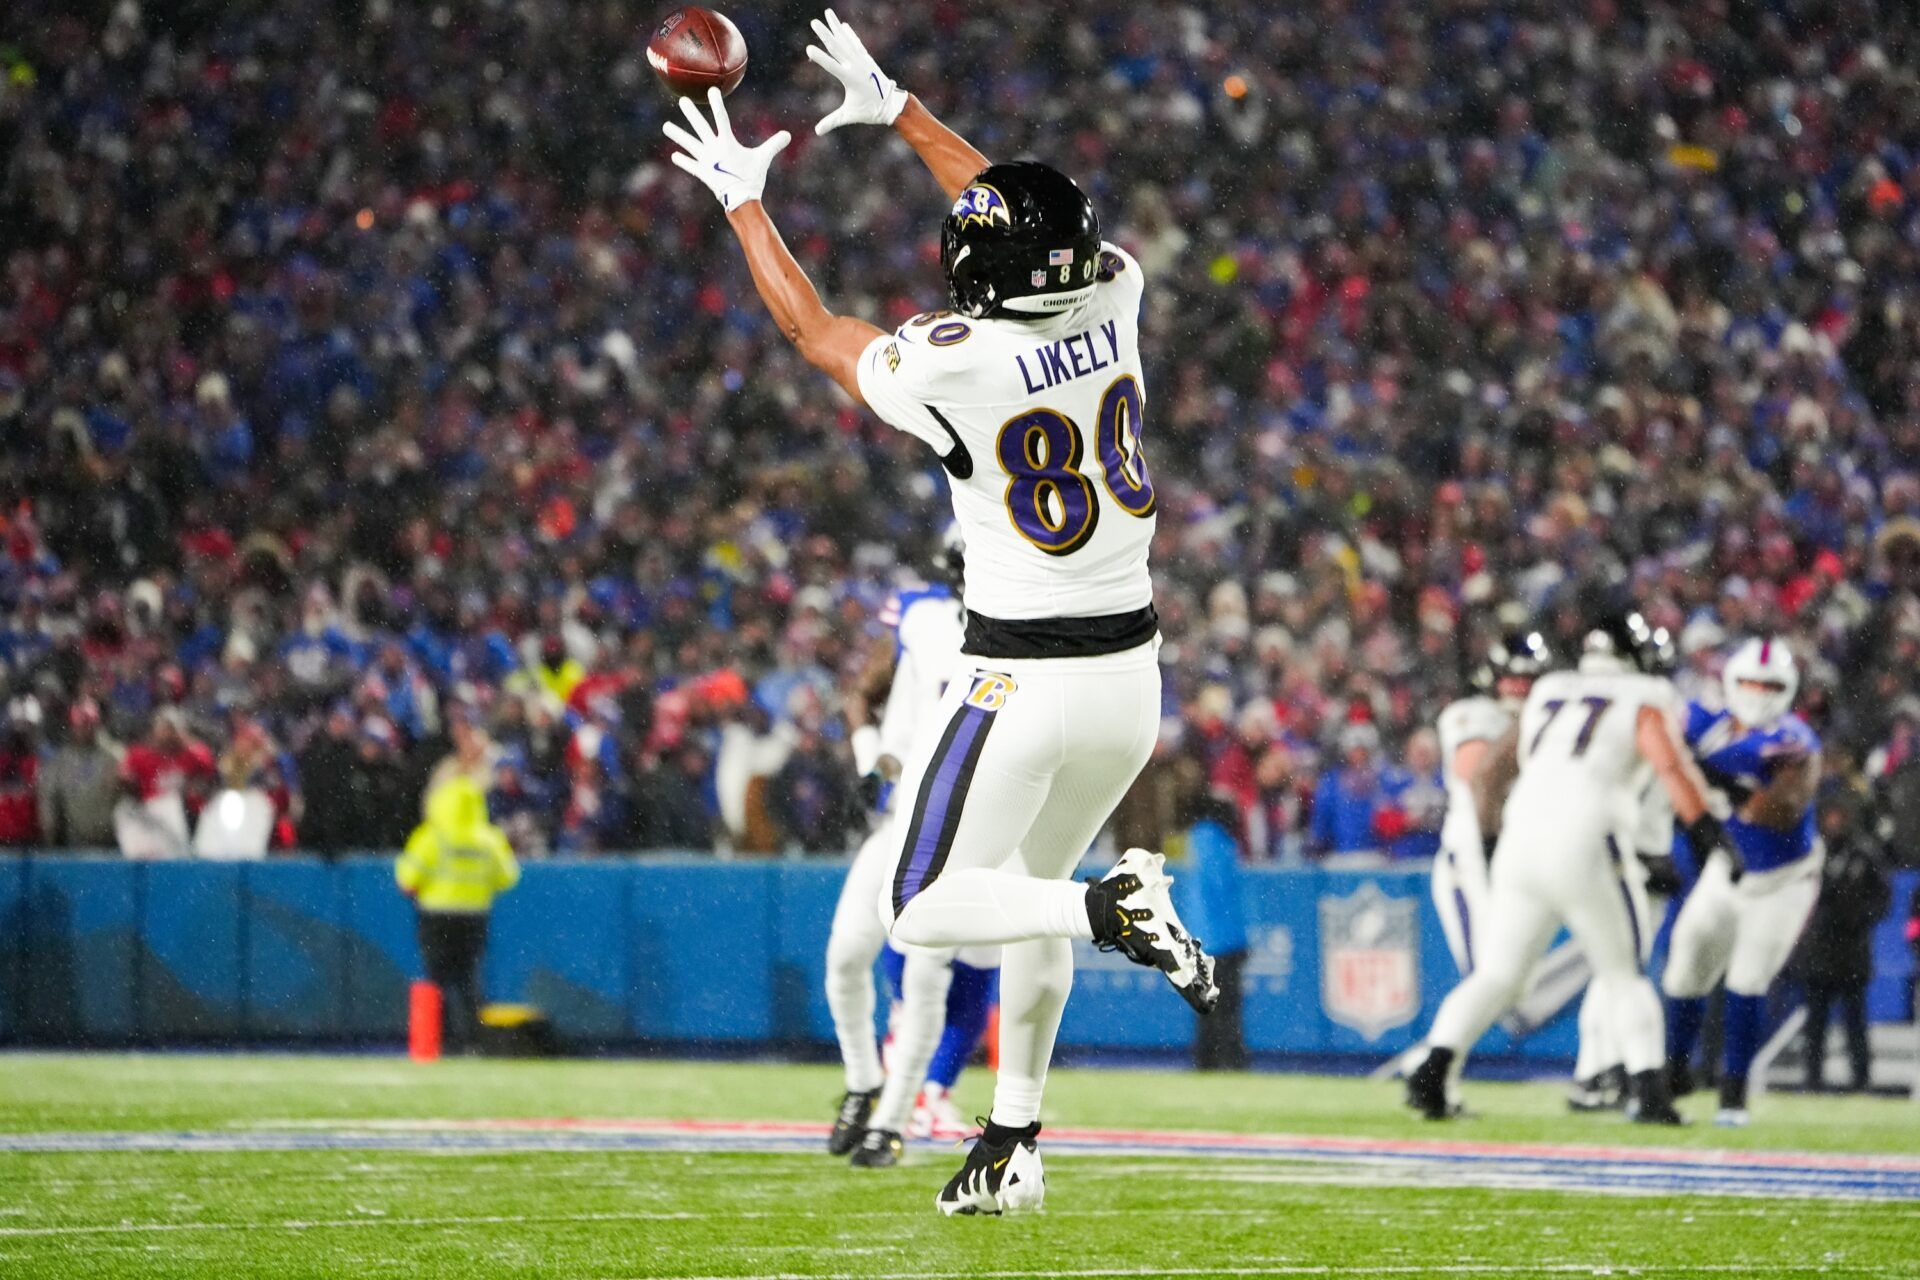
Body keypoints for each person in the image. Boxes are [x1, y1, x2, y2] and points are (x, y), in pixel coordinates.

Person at [664, 8, 1214, 1217]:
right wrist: (904, 110)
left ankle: (1112, 904)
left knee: (927, 906)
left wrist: (746, 202)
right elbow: (1026, 221)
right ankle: (1012, 1134)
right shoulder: (1115, 289)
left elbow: (814, 329)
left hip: (1016, 677)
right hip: (1129, 678)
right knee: (1021, 899)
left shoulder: (956, 360)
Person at [1406, 609, 1730, 1125]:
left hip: (1522, 835)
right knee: (1624, 974)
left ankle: (1432, 1074)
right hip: (1587, 835)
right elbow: (1670, 765)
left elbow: (1490, 772)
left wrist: (1492, 847)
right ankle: (1649, 1094)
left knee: (1499, 974)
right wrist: (1708, 833)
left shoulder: (1549, 689)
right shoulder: (1646, 697)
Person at [825, 530, 1001, 1168]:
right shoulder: (924, 616)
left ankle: (891, 1123)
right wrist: (871, 761)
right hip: (901, 817)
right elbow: (863, 693)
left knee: (925, 981)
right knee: (845, 958)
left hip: (963, 832)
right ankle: (863, 1081)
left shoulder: (1028, 632)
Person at [1661, 637, 1824, 1126]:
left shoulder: (1794, 741)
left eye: (1770, 684)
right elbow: (1656, 742)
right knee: (1684, 967)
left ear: (1788, 689)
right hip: (1727, 869)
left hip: (1783, 879)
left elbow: (1780, 810)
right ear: (1730, 682)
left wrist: (1711, 780)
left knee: (1747, 978)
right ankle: (1672, 1074)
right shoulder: (1702, 721)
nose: (1758, 692)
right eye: (1750, 681)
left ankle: (1733, 1095)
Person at [1430, 631, 1551, 981]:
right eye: (1512, 678)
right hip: (1474, 854)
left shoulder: (1545, 721)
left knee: (1515, 980)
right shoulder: (1473, 713)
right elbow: (1475, 772)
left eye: (1528, 680)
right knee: (1489, 979)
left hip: (1522, 854)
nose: (1519, 688)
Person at [394, 776, 520, 1051]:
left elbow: (406, 880)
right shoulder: (489, 839)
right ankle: (472, 1041)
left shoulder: (431, 836)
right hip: (475, 915)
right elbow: (508, 878)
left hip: (436, 915)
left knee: (436, 979)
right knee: (468, 979)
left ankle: (437, 1039)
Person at [1799, 789, 1891, 1093]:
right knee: (1816, 1024)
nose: (1835, 822)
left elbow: (1882, 899)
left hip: (1852, 951)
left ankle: (1861, 1079)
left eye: (1840, 817)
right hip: (1819, 951)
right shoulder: (1814, 852)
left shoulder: (1865, 854)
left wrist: (1859, 918)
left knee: (1855, 1023)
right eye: (1830, 817)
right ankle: (1812, 1079)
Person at [37, 699, 120, 849]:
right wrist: (51, 838)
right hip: (73, 844)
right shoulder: (59, 761)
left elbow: (121, 800)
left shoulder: (110, 759)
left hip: (108, 844)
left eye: (89, 724)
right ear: (72, 726)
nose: (84, 729)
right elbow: (49, 802)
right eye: (80, 725)